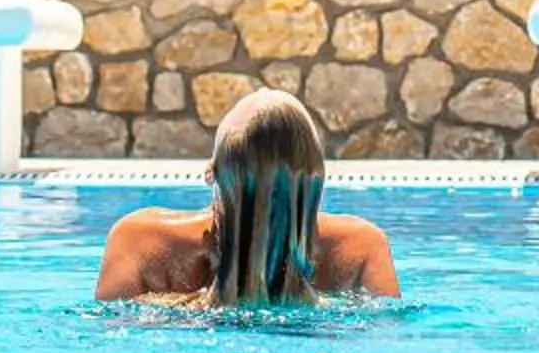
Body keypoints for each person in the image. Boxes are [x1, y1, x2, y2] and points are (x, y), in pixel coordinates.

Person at [94, 87, 398, 307]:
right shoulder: (361, 247)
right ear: (317, 179)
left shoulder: (139, 240)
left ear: (210, 172)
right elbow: (385, 332)